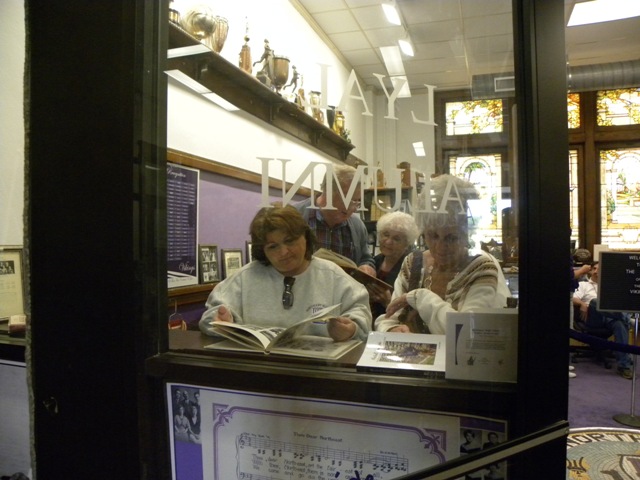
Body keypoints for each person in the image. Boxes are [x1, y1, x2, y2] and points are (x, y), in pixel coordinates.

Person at [199, 205, 371, 342]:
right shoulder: (243, 278)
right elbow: (209, 318)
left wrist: (351, 329)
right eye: (273, 247)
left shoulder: (333, 276)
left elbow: (360, 315)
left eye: (290, 241)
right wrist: (221, 322)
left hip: (318, 370)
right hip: (258, 368)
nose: (284, 252)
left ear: (306, 237)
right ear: (262, 250)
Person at [376, 174, 511, 334]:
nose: (440, 247)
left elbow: (465, 333)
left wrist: (420, 297)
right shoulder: (413, 263)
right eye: (433, 236)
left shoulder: (481, 267)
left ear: (467, 234)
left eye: (451, 238)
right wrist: (393, 329)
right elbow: (388, 318)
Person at [295, 164, 376, 276]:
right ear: (327, 191)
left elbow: (365, 258)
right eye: (348, 199)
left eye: (357, 201)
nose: (354, 208)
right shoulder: (294, 216)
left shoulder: (357, 225)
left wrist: (367, 267)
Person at [572, 261, 633, 379]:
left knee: (620, 324)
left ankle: (624, 366)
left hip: (610, 318)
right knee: (595, 302)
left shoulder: (610, 288)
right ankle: (628, 319)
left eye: (599, 269)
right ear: (590, 271)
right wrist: (582, 303)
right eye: (594, 269)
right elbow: (573, 298)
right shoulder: (583, 284)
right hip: (593, 318)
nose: (596, 271)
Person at [369, 211, 420, 319]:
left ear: (407, 243)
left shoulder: (411, 267)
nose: (388, 242)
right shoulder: (374, 261)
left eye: (396, 239)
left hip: (393, 325)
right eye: (386, 235)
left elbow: (414, 314)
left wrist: (388, 302)